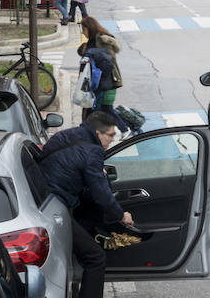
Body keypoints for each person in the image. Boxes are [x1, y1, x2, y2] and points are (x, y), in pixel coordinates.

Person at [39, 111, 134, 298]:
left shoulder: (64, 135)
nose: (112, 140)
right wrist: (121, 215)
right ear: (98, 133)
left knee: (88, 220)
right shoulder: (93, 151)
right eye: (111, 135)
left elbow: (67, 165)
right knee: (95, 258)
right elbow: (101, 193)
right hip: (55, 209)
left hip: (44, 196)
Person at [80, 17, 128, 136]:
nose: (82, 32)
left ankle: (123, 128)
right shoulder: (92, 41)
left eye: (83, 29)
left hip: (106, 81)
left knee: (102, 108)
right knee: (97, 108)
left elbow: (107, 62)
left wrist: (98, 80)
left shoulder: (101, 41)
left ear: (89, 28)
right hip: (97, 81)